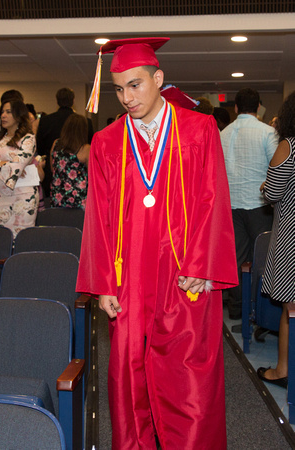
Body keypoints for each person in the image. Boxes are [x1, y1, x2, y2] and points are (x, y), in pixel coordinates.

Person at [76, 37, 238, 449]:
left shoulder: (199, 130)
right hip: (128, 276)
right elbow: (97, 214)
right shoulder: (107, 143)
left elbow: (214, 198)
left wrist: (203, 267)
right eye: (119, 89)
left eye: (135, 85)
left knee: (189, 384)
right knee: (129, 380)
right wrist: (102, 285)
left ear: (158, 78)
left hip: (185, 274)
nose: (127, 97)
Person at [220, 88, 278, 320]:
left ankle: (237, 309)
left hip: (231, 206)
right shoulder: (267, 133)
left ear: (235, 108)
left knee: (235, 258)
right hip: (259, 206)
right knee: (262, 259)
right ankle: (259, 312)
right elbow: (275, 169)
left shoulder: (223, 133)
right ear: (259, 107)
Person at [257, 91, 295, 389]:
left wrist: (265, 185)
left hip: (291, 239)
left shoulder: (288, 146)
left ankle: (282, 371)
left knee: (291, 309)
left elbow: (272, 192)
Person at [0, 100, 39, 237]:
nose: (3, 115)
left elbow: (18, 164)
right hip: (0, 197)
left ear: (18, 115)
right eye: (2, 112)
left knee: (20, 239)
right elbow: (15, 165)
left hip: (23, 198)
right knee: (0, 240)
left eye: (8, 112)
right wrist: (7, 163)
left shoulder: (28, 139)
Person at [50, 113, 89, 209]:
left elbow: (53, 168)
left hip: (58, 196)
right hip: (79, 198)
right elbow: (92, 176)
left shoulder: (56, 143)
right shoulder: (85, 149)